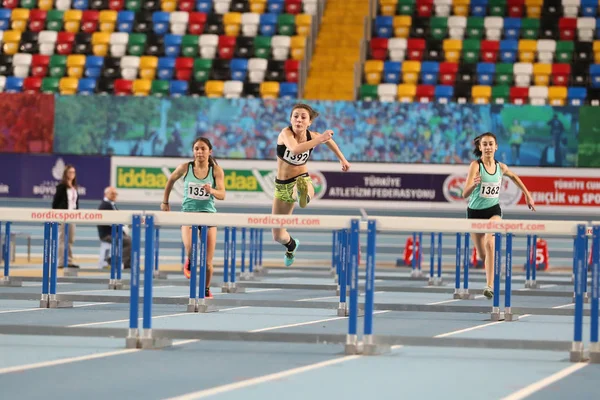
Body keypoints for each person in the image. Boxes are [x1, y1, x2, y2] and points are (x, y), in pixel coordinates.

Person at [273, 103, 351, 267]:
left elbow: (330, 142)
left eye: (303, 117)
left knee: (303, 187)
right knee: (278, 235)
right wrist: (319, 139)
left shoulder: (313, 135)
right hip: (282, 185)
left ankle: (304, 194)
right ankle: (291, 245)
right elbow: (295, 150)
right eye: (295, 116)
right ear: (290, 119)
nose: (299, 120)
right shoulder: (285, 134)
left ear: (309, 122)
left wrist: (342, 159)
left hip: (301, 178)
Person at [463, 132, 536, 299]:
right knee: (482, 255)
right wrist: (474, 185)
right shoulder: (476, 165)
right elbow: (464, 194)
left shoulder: (501, 167)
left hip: (493, 211)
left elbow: (515, 177)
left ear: (496, 147)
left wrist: (527, 195)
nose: (488, 147)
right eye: (485, 144)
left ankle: (489, 286)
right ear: (480, 147)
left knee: (490, 243)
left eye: (491, 144)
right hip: (474, 213)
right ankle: (494, 265)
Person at [161, 137, 225, 299]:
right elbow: (170, 180)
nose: (199, 152)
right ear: (193, 151)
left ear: (210, 151)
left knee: (208, 263)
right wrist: (165, 201)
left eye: (203, 149)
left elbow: (222, 195)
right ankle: (189, 259)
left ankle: (206, 289)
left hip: (209, 216)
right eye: (196, 148)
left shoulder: (216, 170)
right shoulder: (185, 167)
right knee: (191, 249)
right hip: (188, 214)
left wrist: (212, 191)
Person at [51, 164, 79, 269]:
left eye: (73, 172)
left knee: (71, 239)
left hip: (73, 216)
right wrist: (56, 216)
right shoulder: (61, 187)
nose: (72, 174)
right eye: (70, 172)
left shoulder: (74, 187)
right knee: (63, 239)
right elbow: (55, 203)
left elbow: (75, 203)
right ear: (66, 174)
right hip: (63, 216)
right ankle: (61, 261)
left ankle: (69, 261)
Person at [97, 186, 131, 269]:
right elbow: (110, 223)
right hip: (107, 234)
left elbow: (118, 220)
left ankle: (125, 263)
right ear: (105, 194)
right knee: (128, 241)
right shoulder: (104, 206)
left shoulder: (112, 204)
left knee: (128, 239)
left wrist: (124, 227)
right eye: (112, 193)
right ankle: (115, 261)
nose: (114, 195)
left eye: (115, 194)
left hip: (114, 232)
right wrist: (123, 229)